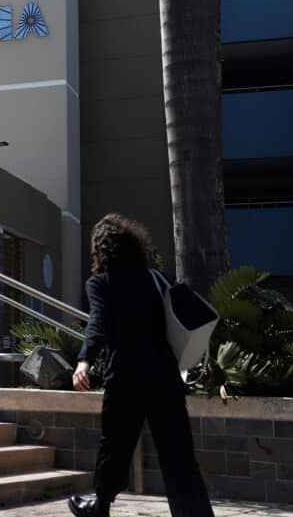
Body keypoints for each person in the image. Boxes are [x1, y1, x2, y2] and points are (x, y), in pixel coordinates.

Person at [69, 214, 213, 517]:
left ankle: (101, 505)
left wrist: (84, 360)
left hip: (126, 378)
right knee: (178, 454)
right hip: (165, 377)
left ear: (100, 250)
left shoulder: (101, 283)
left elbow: (98, 322)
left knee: (115, 447)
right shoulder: (154, 278)